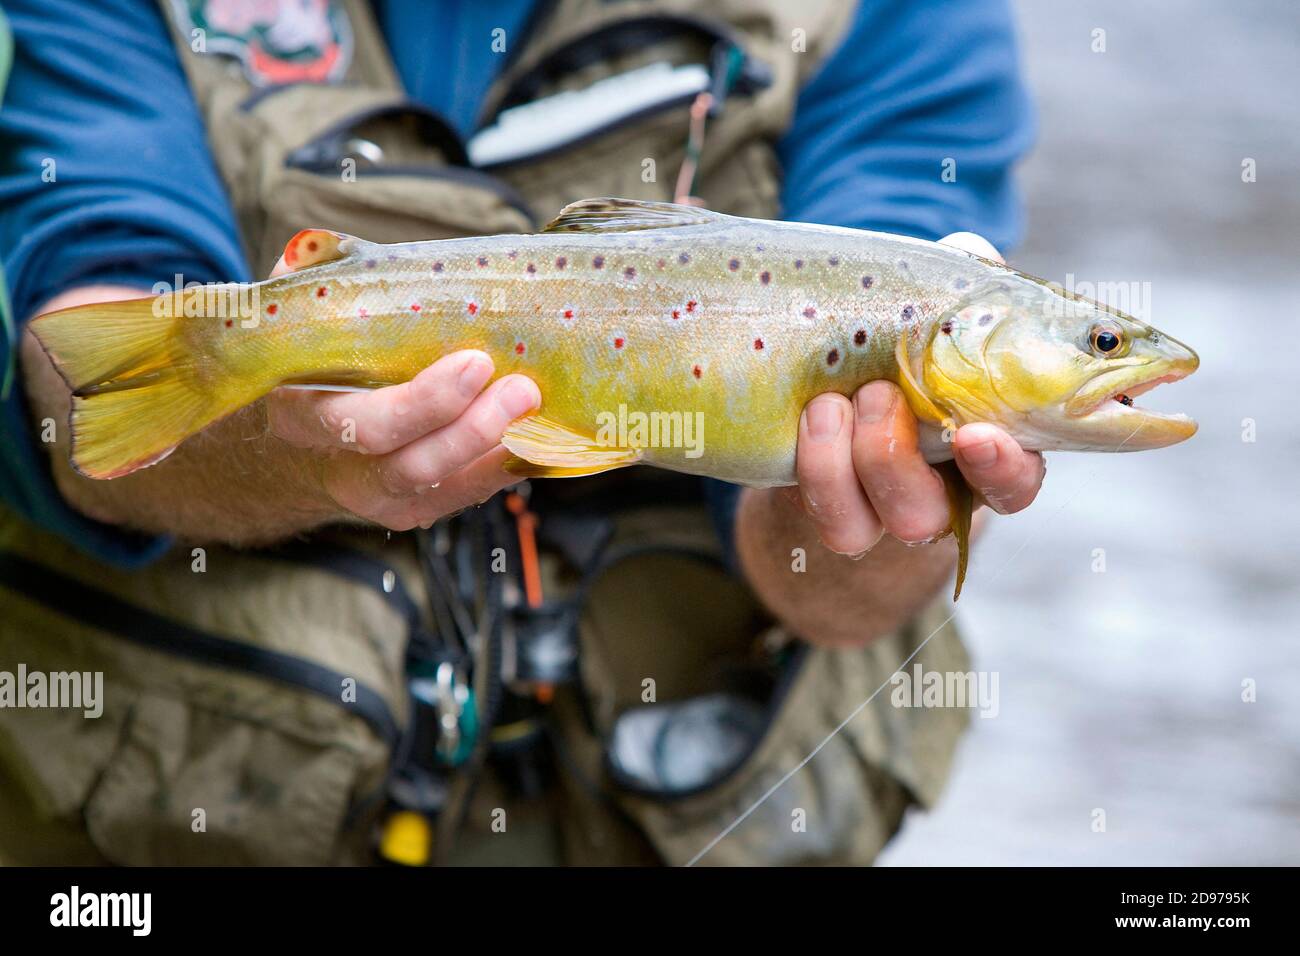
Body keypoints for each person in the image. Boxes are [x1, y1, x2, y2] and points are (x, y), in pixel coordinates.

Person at [0, 0, 1040, 865]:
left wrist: (871, 525)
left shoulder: (897, 15)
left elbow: (818, 571)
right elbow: (73, 378)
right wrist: (278, 453)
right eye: (1097, 341)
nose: (1125, 363)